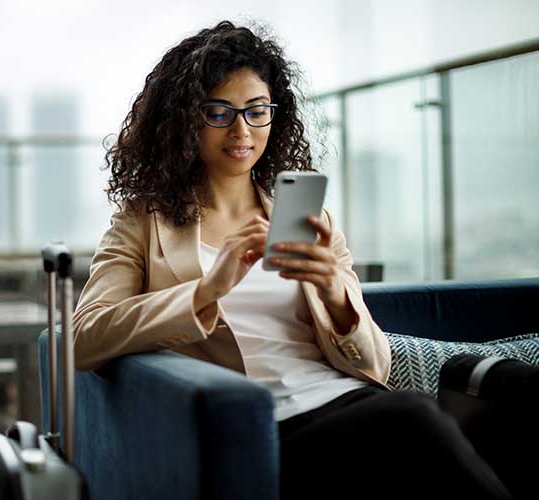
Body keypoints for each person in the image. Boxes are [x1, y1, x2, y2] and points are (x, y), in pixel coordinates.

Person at [72, 21, 515, 500]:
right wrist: (207, 290)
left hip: (350, 402)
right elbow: (84, 338)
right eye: (219, 112)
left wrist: (336, 297)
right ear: (185, 120)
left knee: (509, 402)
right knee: (414, 418)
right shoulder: (143, 222)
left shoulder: (306, 215)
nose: (242, 130)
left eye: (256, 111)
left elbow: (377, 367)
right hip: (264, 429)